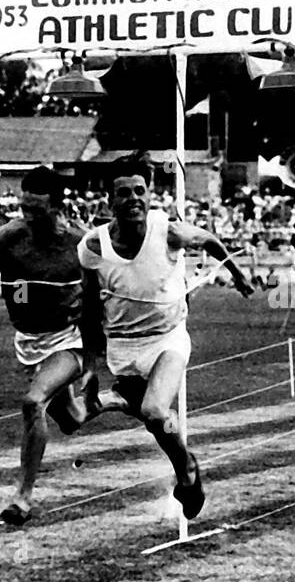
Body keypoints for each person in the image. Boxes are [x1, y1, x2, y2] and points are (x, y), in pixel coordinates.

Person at [78, 154, 254, 521]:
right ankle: (123, 400)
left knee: (155, 413)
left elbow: (208, 239)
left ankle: (188, 470)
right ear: (109, 200)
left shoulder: (168, 231)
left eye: (140, 190)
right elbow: (90, 312)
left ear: (150, 193)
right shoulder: (93, 247)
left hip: (168, 338)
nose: (133, 199)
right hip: (124, 346)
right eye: (123, 192)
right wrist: (89, 367)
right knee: (147, 414)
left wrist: (237, 275)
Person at [0, 167, 108, 526]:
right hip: (28, 342)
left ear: (57, 206)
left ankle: (22, 498)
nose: (27, 216)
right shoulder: (10, 237)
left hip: (70, 339)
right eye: (24, 207)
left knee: (33, 403)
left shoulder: (81, 243)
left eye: (36, 210)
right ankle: (117, 399)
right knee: (72, 419)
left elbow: (104, 295)